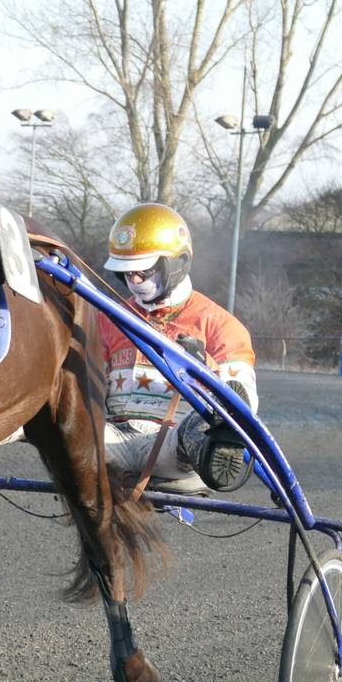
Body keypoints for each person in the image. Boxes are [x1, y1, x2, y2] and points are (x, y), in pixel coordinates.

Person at [99, 203, 258, 494]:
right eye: (126, 272)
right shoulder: (109, 318)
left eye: (144, 270)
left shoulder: (220, 324)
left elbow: (246, 403)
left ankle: (212, 449)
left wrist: (205, 370)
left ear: (177, 262)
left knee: (215, 416)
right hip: (110, 439)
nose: (134, 281)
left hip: (171, 443)